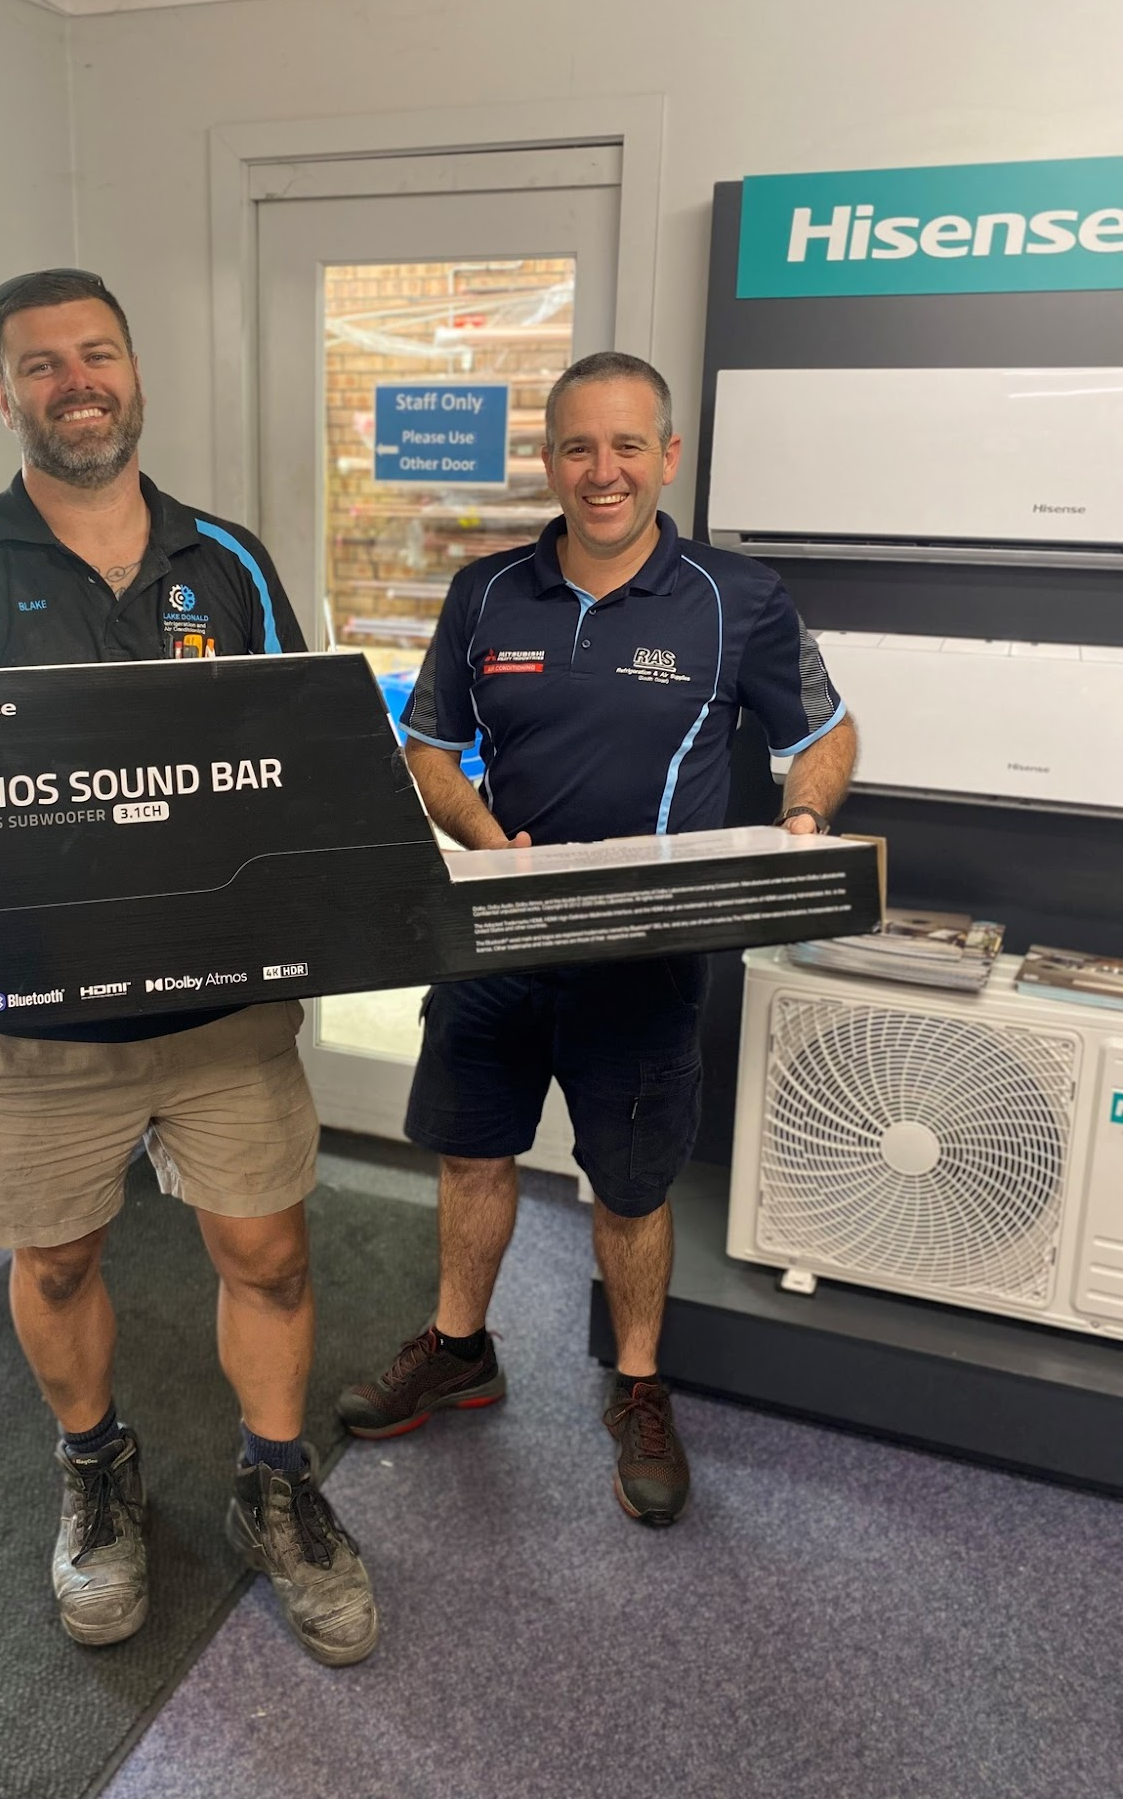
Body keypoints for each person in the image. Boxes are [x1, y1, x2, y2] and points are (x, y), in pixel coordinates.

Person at [0, 268, 377, 1664]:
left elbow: (297, 766)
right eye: (42, 363)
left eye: (98, 353)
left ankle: (276, 1479)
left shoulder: (230, 563)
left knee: (268, 1248)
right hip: (32, 1020)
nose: (77, 381)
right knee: (55, 1261)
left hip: (223, 1011)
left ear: (134, 373)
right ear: (4, 395)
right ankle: (96, 1470)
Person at [338, 350, 857, 1527]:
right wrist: (483, 833)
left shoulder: (738, 597)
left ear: (667, 456)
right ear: (550, 459)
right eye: (579, 445)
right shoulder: (486, 593)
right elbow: (428, 748)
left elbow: (822, 730)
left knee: (626, 1186)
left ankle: (636, 1383)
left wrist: (804, 820)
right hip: (500, 936)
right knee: (472, 1151)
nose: (603, 469)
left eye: (628, 445)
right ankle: (462, 1347)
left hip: (646, 952)